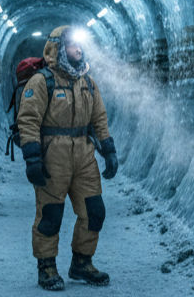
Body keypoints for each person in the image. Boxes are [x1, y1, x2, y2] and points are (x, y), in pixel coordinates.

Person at [15, 25, 119, 291]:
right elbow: (28, 120)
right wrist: (33, 159)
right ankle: (47, 267)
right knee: (50, 214)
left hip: (84, 154)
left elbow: (99, 119)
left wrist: (109, 150)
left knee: (94, 211)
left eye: (80, 45)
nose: (78, 49)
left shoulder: (87, 83)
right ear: (59, 49)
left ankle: (82, 262)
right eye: (73, 45)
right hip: (54, 155)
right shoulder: (42, 82)